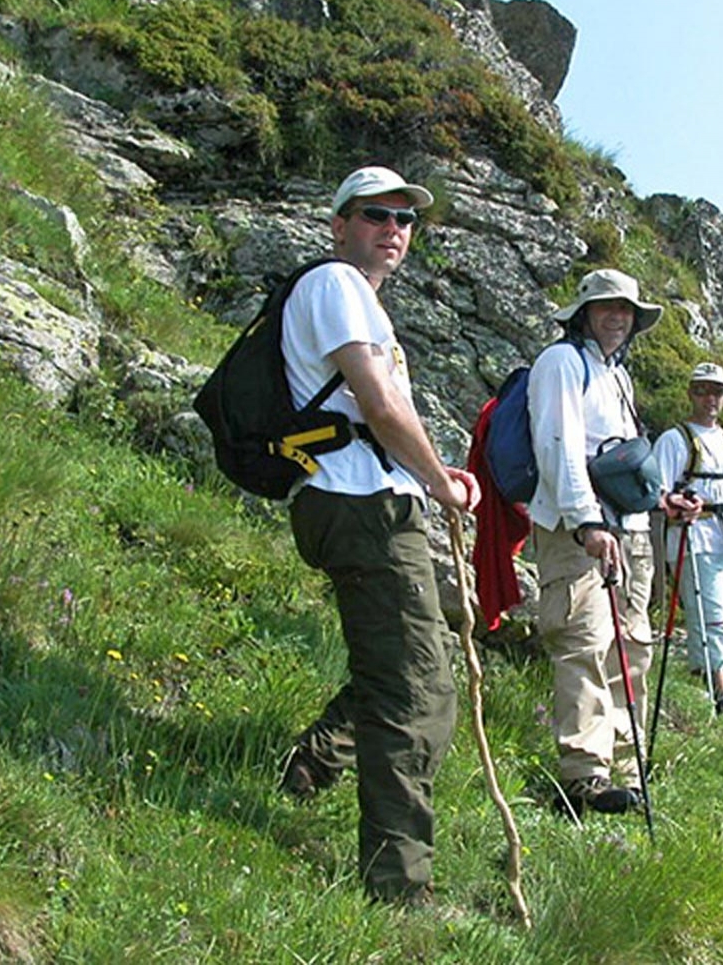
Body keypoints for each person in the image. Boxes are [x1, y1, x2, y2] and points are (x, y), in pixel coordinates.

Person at [276, 165, 480, 907]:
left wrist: (434, 473)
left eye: (405, 220)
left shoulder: (356, 299)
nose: (393, 230)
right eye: (375, 216)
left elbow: (380, 416)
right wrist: (440, 483)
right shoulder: (334, 286)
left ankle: (313, 762)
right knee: (419, 693)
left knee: (396, 664)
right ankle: (398, 889)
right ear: (339, 224)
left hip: (360, 497)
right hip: (359, 506)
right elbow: (383, 408)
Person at [526, 268, 699, 815]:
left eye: (626, 310)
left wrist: (659, 502)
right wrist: (585, 521)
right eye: (607, 308)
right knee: (583, 640)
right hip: (579, 531)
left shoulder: (615, 375)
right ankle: (583, 775)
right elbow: (558, 446)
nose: (618, 318)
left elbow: (620, 455)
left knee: (633, 645)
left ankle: (626, 766)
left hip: (629, 528)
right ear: (583, 312)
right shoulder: (562, 364)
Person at [652, 362, 723, 717]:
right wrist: (676, 505)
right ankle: (721, 698)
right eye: (702, 390)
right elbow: (657, 492)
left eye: (717, 391)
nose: (710, 398)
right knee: (712, 621)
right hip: (696, 540)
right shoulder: (675, 440)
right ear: (690, 394)